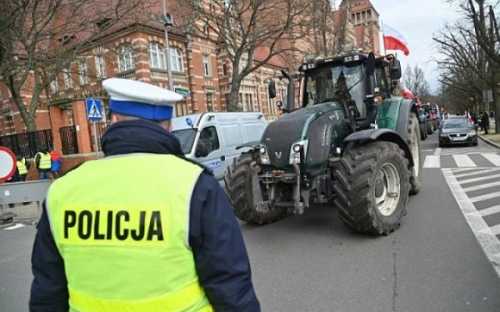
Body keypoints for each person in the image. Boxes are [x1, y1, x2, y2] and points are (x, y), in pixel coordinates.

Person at [30, 78, 260, 312]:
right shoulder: (195, 185)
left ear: (113, 120)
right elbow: (230, 285)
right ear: (168, 126)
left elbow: (47, 292)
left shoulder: (63, 190)